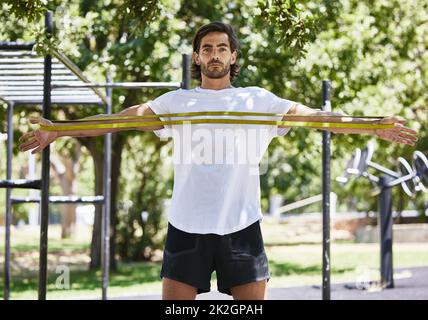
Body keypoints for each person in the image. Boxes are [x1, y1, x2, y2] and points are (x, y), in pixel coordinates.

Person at [19, 22, 417, 300]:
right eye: (207, 48)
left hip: (241, 226)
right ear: (197, 55)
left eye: (221, 48)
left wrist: (372, 126)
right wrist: (58, 129)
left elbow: (319, 118)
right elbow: (117, 122)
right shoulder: (177, 103)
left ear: (232, 56)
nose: (214, 54)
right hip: (185, 227)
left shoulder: (259, 101)